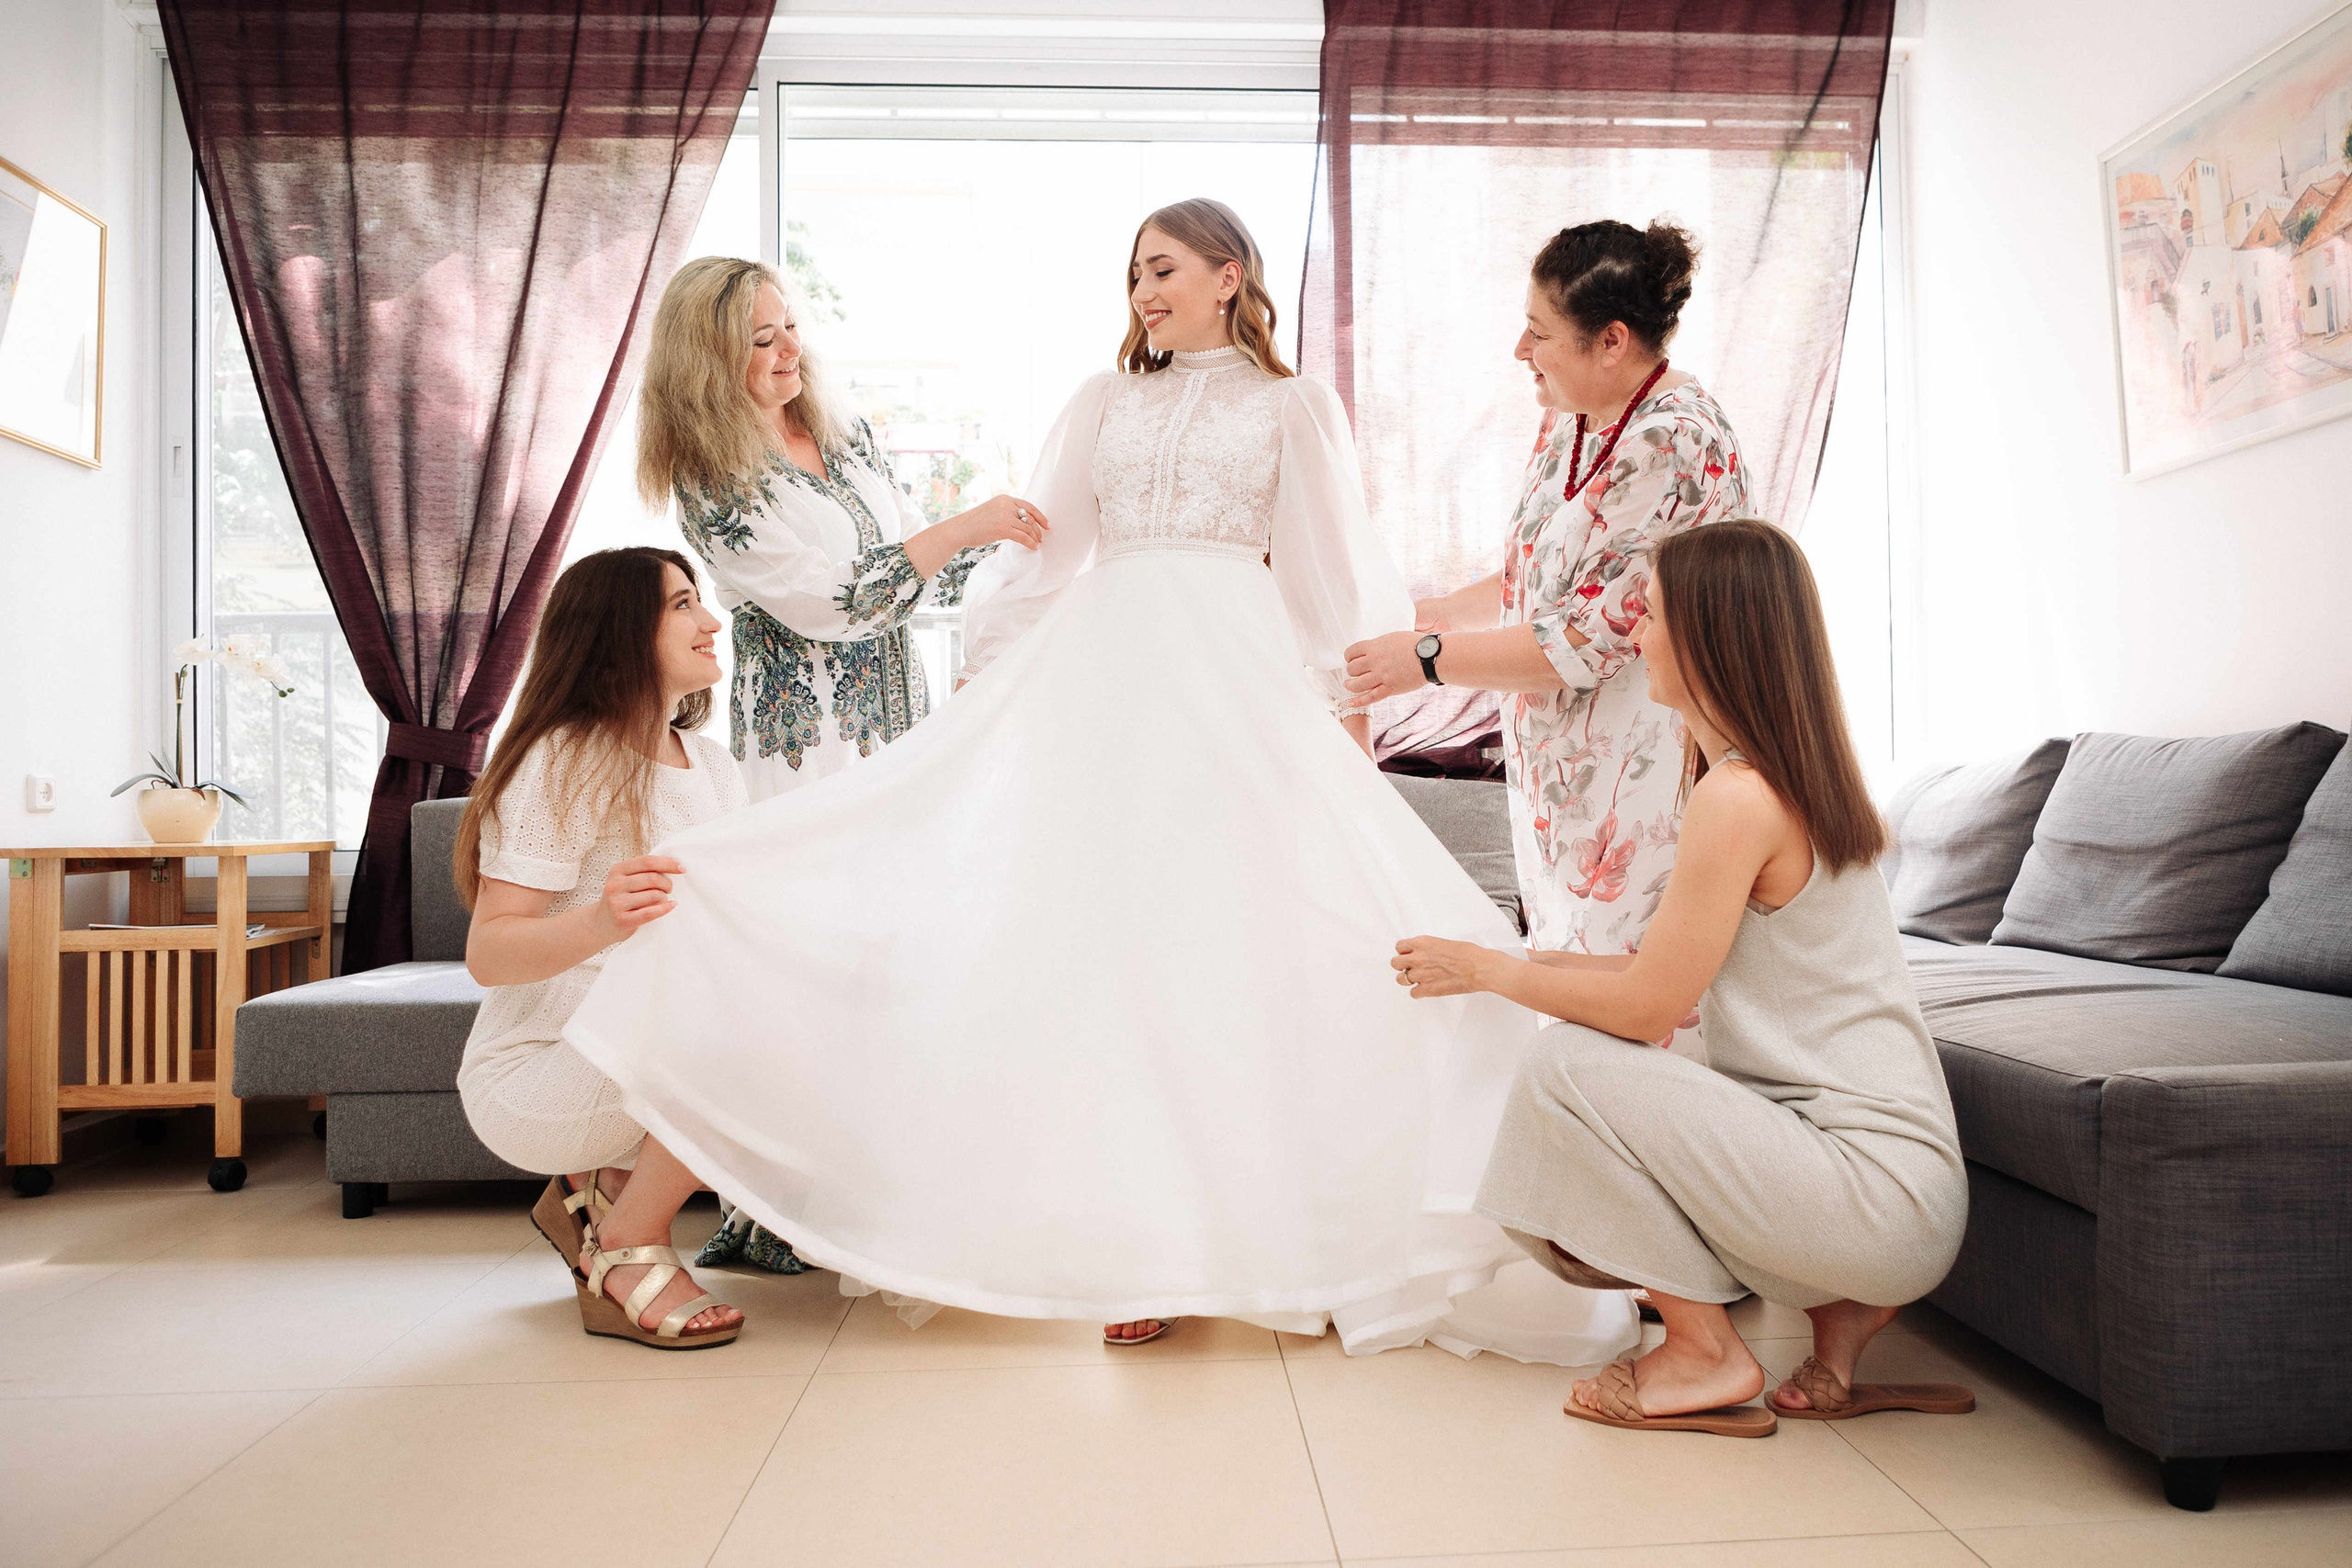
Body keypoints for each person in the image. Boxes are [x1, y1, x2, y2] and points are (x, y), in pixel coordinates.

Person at [563, 198, 1636, 1363]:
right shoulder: (1101, 401)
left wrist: (1350, 730)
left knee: (1241, 948)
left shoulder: (1293, 406)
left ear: (1230, 275)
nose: (1144, 292)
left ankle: (1268, 1226)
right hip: (1108, 689)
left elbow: (1333, 586)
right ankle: (1138, 1245)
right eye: (1133, 274)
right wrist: (988, 694)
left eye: (1165, 269)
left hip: (1236, 691)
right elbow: (1040, 559)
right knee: (1111, 953)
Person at [1392, 519, 1973, 1436]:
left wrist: (1493, 971)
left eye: (1651, 614)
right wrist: (1493, 959)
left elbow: (1646, 1008)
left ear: (1709, 635)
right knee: (1594, 1053)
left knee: (1563, 1066)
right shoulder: (1783, 782)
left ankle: (1702, 1350)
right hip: (1898, 1195)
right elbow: (1660, 972)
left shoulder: (1737, 798)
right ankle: (1840, 1328)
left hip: (1872, 1196)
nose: (1634, 634)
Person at [637, 256, 1048, 1272]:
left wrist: (1022, 542)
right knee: (818, 966)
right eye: (760, 342)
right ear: (704, 363)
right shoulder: (713, 485)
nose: (789, 352)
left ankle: (880, 1192)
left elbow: (910, 561)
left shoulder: (846, 435)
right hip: (806, 741)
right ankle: (781, 1210)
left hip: (898, 722)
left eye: (789, 329)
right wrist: (964, 527)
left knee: (902, 954)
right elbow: (839, 601)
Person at [1346, 220, 1750, 1058]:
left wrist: (1423, 663)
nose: (1519, 348)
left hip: (1642, 765)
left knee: (1633, 1007)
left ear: (1612, 339)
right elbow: (1539, 571)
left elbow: (1583, 637)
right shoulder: (1571, 416)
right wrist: (1435, 615)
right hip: (1559, 774)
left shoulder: (1672, 439)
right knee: (1572, 993)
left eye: (1539, 330)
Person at [453, 547, 750, 1349]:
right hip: (538, 1069)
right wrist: (601, 920)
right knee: (742, 1024)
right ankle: (625, 1242)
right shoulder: (566, 759)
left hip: (640, 1056)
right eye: (685, 604)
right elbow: (489, 954)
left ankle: (606, 1188)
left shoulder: (716, 771)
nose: (710, 621)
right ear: (622, 629)